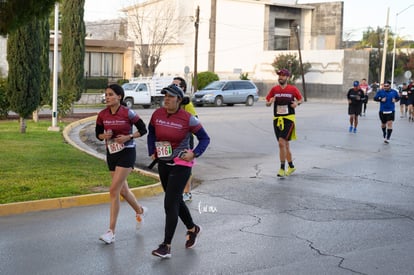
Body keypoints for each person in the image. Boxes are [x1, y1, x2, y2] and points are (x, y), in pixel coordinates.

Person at [147, 84, 210, 258]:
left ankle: (166, 246)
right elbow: (151, 132)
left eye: (170, 96)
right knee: (175, 200)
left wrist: (194, 153)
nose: (166, 99)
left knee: (169, 203)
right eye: (164, 96)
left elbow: (205, 138)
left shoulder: (188, 118)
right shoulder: (157, 114)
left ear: (179, 100)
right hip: (163, 162)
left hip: (181, 164)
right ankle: (193, 228)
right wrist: (151, 149)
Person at [95, 84, 148, 244]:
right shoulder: (102, 114)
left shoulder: (128, 113)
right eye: (106, 94)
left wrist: (128, 137)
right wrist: (103, 136)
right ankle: (140, 211)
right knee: (123, 191)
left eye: (111, 94)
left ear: (119, 96)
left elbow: (143, 129)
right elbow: (98, 134)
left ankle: (111, 231)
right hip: (111, 153)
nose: (107, 97)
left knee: (114, 190)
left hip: (127, 152)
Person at [265, 68, 303, 177]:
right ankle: (291, 166)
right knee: (285, 145)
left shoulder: (292, 89)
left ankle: (282, 168)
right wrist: (270, 102)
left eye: (282, 75)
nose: (280, 77)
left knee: (281, 142)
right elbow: (267, 103)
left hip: (289, 119)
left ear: (287, 77)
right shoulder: (274, 89)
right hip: (277, 119)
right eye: (279, 75)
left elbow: (301, 99)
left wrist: (297, 103)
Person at [172, 76, 197, 202]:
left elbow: (195, 121)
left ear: (183, 88)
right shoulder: (170, 103)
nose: (173, 88)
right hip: (173, 141)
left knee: (186, 165)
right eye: (172, 85)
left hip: (186, 140)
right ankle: (178, 190)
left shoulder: (187, 105)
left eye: (176, 86)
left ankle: (187, 192)